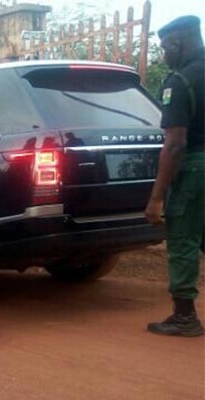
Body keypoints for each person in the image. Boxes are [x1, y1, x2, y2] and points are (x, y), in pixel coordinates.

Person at [145, 15, 204, 337]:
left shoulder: (180, 81)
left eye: (165, 47)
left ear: (177, 43)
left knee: (183, 241)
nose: (163, 54)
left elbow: (175, 144)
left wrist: (156, 198)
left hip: (194, 168)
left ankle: (184, 317)